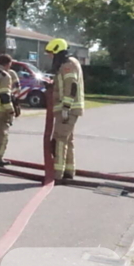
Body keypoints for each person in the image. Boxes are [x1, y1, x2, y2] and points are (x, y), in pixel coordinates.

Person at [46, 38, 84, 182]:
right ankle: (69, 170)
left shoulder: (67, 65)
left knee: (60, 139)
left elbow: (71, 85)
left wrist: (66, 107)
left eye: (51, 53)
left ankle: (57, 173)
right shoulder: (69, 64)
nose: (50, 57)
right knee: (68, 140)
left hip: (68, 109)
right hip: (69, 108)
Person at [0, 54, 21, 168]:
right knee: (2, 134)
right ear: (8, 63)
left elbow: (17, 87)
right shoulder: (9, 74)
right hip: (4, 106)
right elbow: (17, 88)